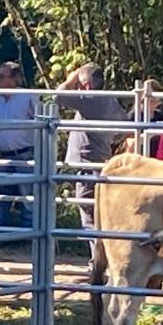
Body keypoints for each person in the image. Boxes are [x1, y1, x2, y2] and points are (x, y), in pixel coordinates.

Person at [61, 63, 127, 228]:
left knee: (89, 215)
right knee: (99, 214)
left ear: (87, 85)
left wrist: (71, 79)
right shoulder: (110, 101)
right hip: (101, 162)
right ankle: (99, 251)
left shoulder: (89, 99)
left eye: (79, 85)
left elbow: (57, 96)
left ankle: (95, 252)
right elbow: (124, 129)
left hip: (87, 166)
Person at [0, 61, 40, 229]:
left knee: (28, 196)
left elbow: (40, 120)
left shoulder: (28, 97)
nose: (0, 81)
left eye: (4, 76)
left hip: (24, 154)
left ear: (16, 79)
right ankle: (1, 232)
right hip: (1, 155)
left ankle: (29, 232)